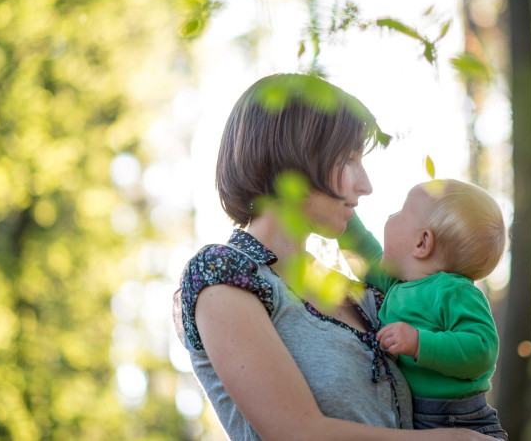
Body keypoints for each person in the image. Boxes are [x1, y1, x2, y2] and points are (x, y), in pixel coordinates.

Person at [173, 73, 496, 440]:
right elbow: (295, 432)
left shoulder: (359, 293)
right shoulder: (224, 274)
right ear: (292, 156)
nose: (367, 184)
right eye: (349, 158)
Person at [340, 179, 508, 439]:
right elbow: (361, 248)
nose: (389, 216)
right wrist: (342, 209)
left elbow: (482, 349)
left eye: (400, 213)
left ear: (422, 243)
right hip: (414, 420)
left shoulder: (455, 291)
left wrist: (419, 343)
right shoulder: (396, 285)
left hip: (463, 421)